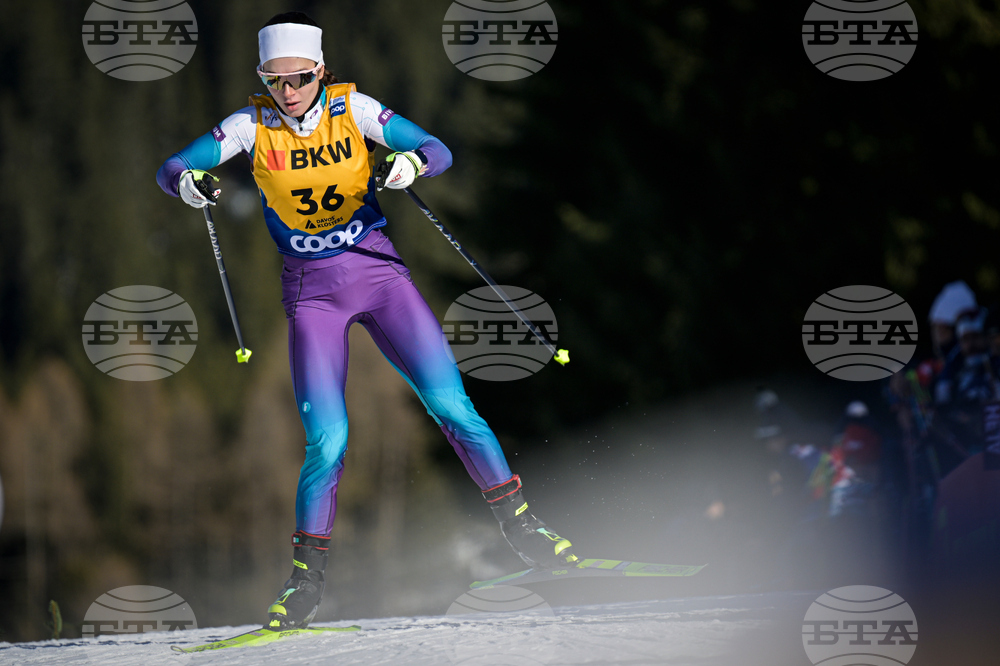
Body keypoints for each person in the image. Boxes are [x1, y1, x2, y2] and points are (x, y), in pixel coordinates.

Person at [155, 12, 576, 630]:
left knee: (454, 408)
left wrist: (412, 167)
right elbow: (172, 167)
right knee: (328, 442)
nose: (288, 92)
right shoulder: (250, 125)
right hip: (312, 295)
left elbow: (438, 149)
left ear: (321, 71)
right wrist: (188, 185)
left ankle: (524, 528)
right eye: (274, 82)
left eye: (298, 78)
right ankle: (304, 585)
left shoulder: (356, 111)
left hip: (381, 279)